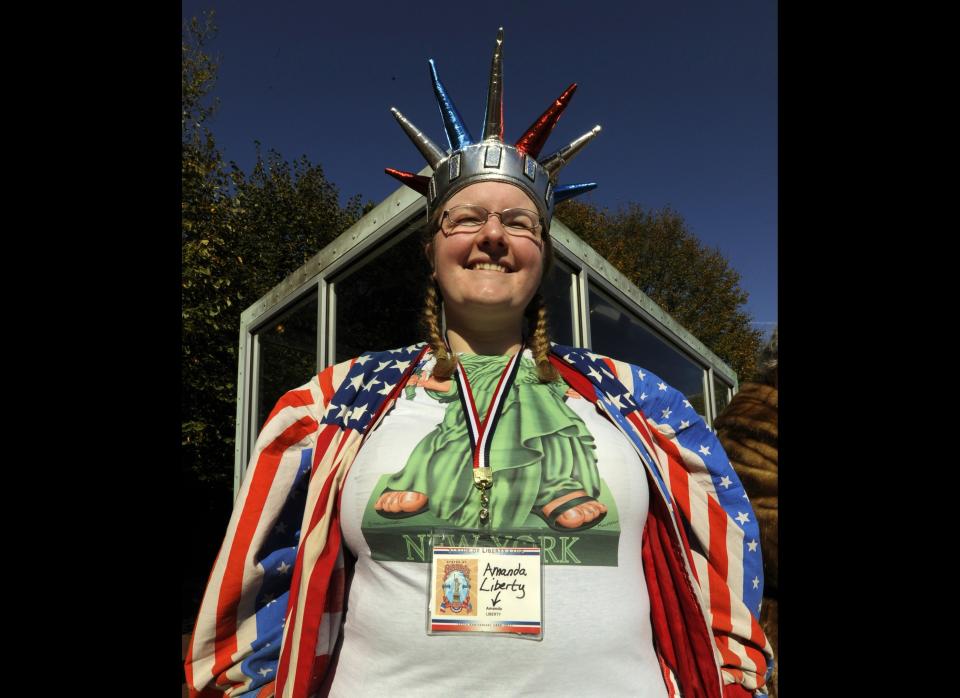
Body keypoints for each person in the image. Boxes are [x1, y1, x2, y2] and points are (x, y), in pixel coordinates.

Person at [185, 28, 773, 698]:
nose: (493, 235)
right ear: (432, 251)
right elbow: (255, 600)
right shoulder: (332, 403)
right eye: (465, 219)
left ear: (543, 256)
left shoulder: (639, 402)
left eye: (518, 223)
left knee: (560, 445)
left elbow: (723, 579)